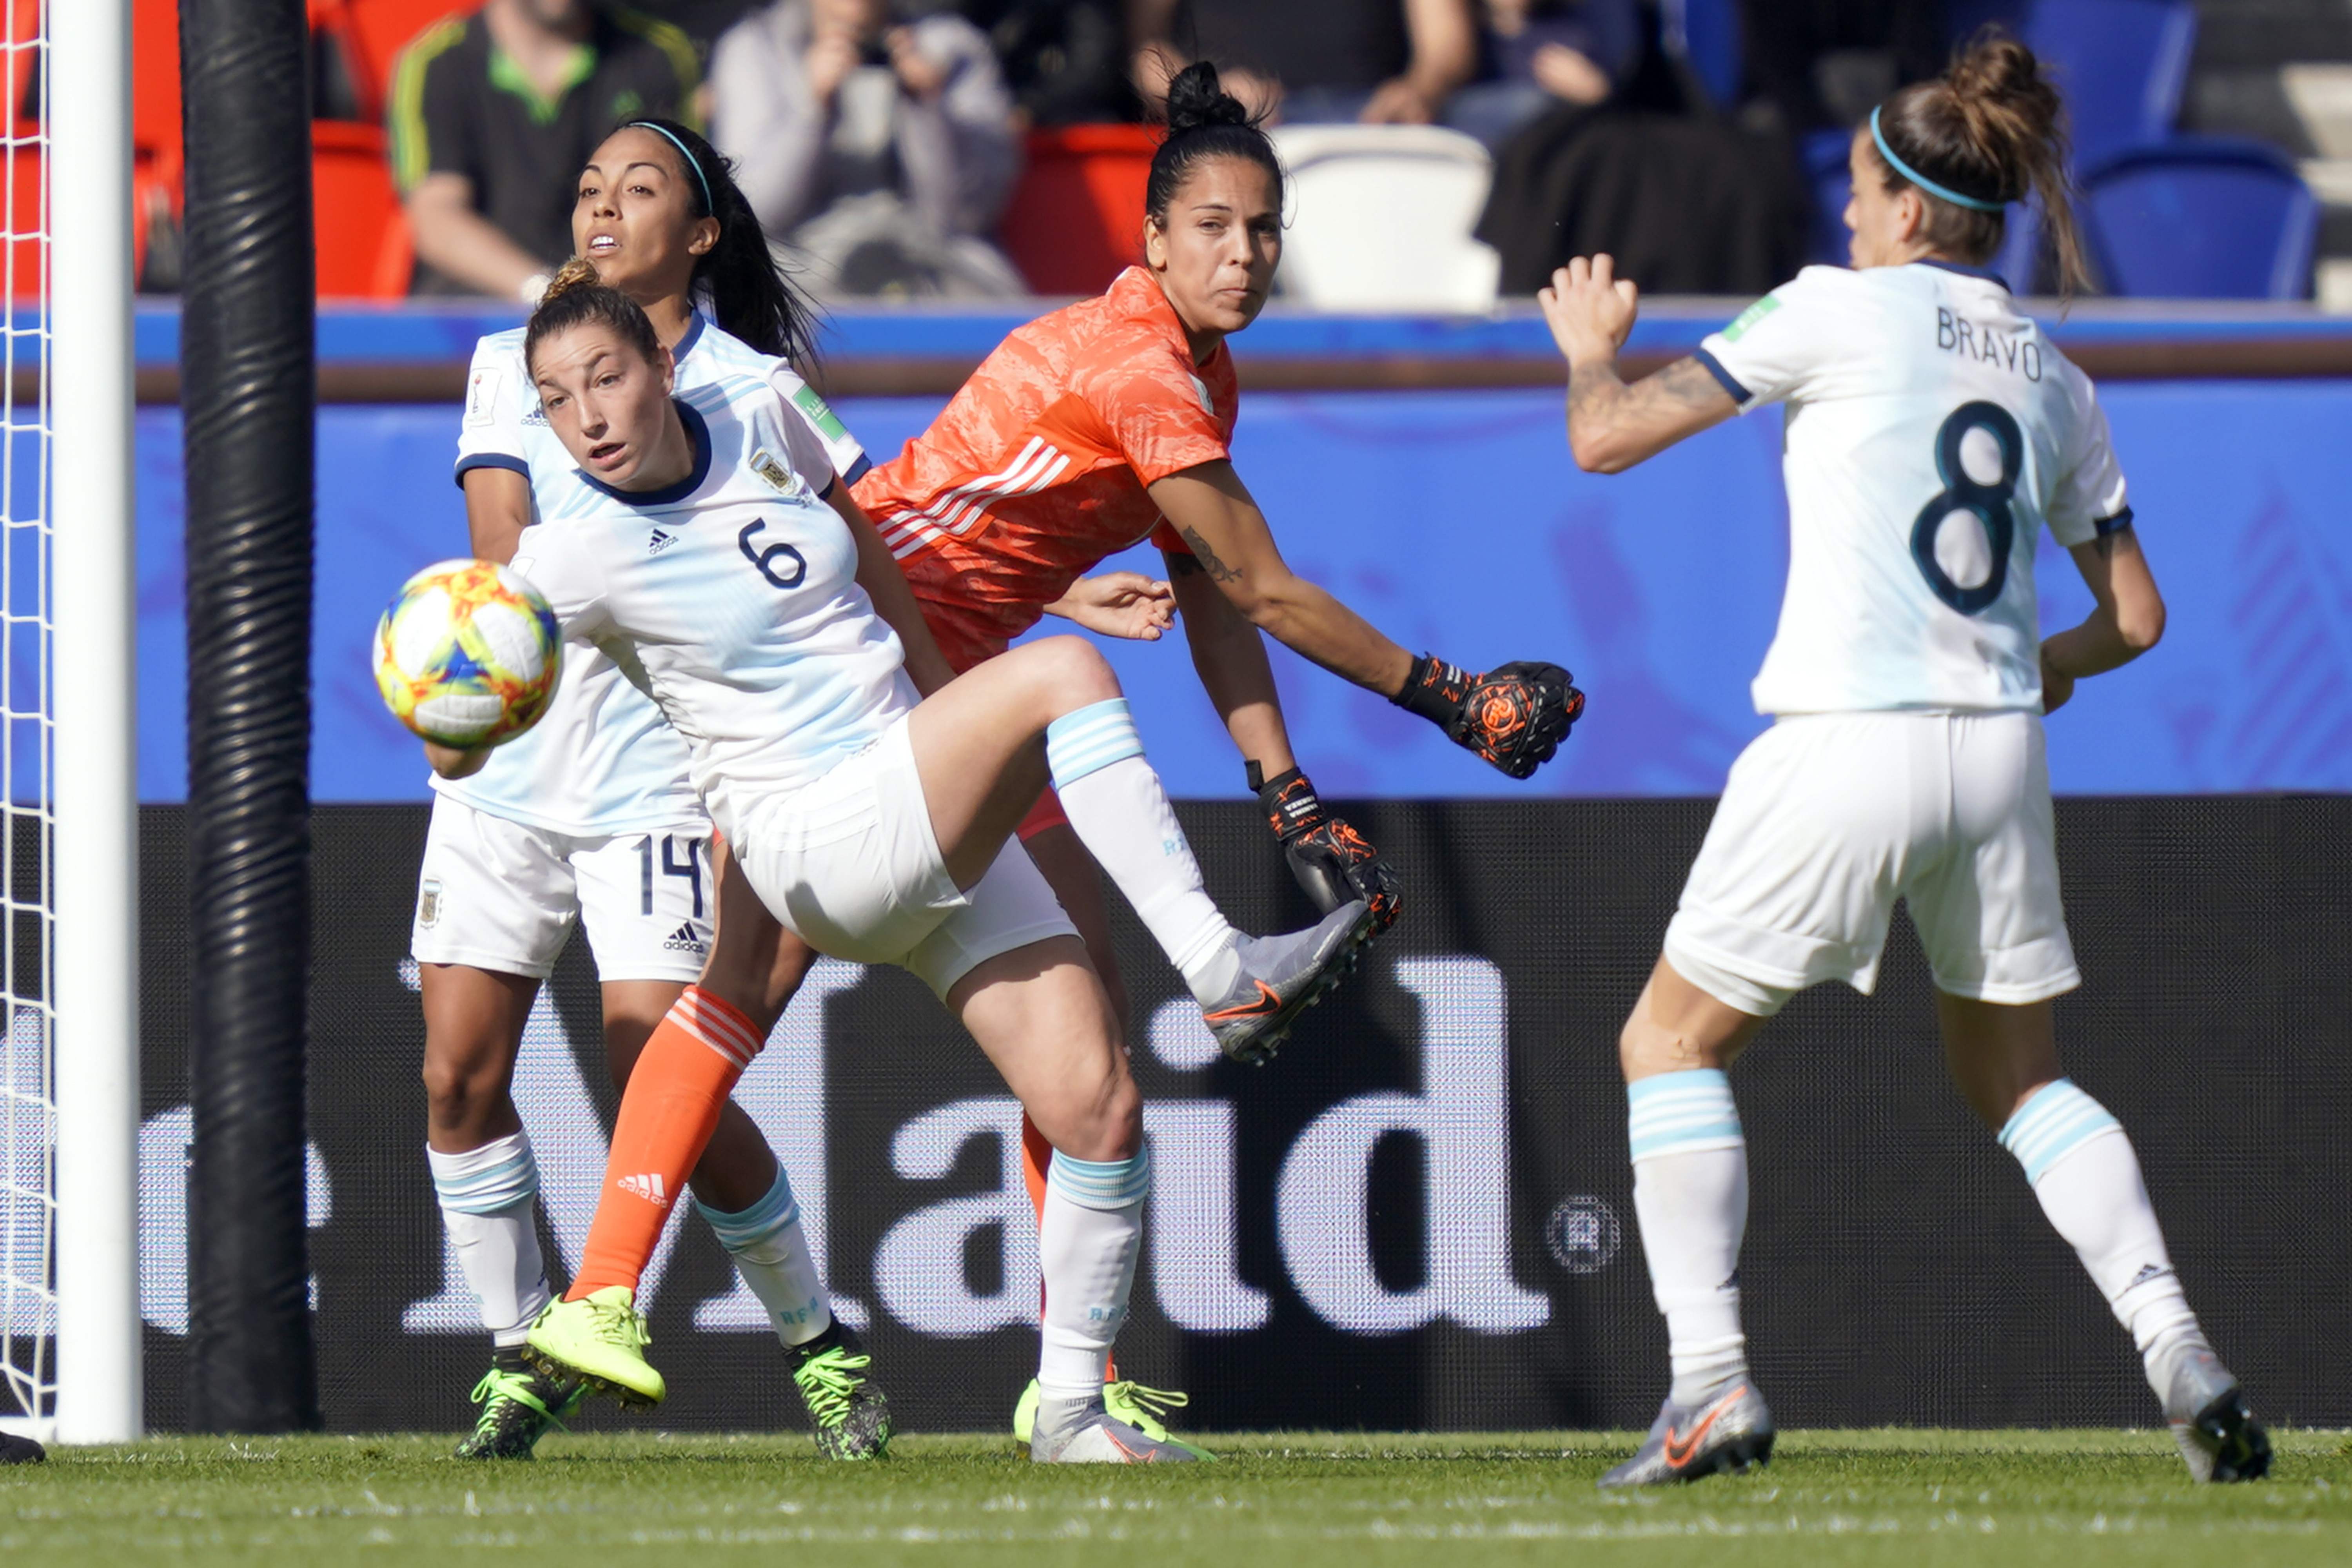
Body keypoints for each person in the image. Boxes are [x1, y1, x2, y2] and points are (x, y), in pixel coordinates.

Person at [483, 261, 1377, 1463]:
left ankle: (1067, 1409)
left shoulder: (767, 415)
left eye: (605, 376)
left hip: (904, 787)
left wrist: (955, 698)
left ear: (662, 368)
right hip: (810, 834)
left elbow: (877, 557)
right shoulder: (574, 555)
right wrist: (451, 717)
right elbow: (483, 676)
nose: (587, 413)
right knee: (1063, 676)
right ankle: (1221, 968)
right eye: (555, 399)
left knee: (1097, 1105)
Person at [1536, 33, 2271, 1487]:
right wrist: (2032, 668)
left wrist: (1586, 357)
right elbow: (2135, 616)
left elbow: (1605, 443)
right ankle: (2176, 1343)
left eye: (1862, 191)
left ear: (1904, 204)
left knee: (1664, 1043)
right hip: (1997, 756)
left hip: (1844, 736)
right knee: (2022, 1083)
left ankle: (1707, 1385)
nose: (1848, 214)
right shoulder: (2051, 371)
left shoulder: (1825, 311)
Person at [849, 57, 1588, 1438]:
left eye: (1265, 233)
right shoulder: (1142, 365)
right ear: (1152, 240)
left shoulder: (1196, 369)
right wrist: (1455, 696)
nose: (1245, 256)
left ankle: (1080, 1381)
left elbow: (1205, 595)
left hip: (947, 674)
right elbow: (1262, 586)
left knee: (1085, 1050)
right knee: (753, 1008)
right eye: (1216, 229)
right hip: (870, 674)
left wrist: (1287, 795)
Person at [423, 117, 889, 1461]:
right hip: (512, 770)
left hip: (653, 774)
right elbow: (507, 562)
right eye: (585, 190)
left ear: (701, 233)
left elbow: (872, 532)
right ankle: (523, 1353)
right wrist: (455, 697)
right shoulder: (512, 361)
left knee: (653, 1064)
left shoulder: (755, 388)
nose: (602, 209)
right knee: (457, 1075)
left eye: (640, 190)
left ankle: (816, 1344)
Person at [708, 0, 1025, 298]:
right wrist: (812, 112)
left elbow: (966, 216)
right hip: (799, 271)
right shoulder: (755, 47)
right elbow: (754, 213)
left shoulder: (953, 47)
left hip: (936, 270)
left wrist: (929, 109)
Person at [390, 0, 700, 299]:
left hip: (626, 309)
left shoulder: (658, 55)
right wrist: (547, 293)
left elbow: (680, 206)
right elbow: (437, 218)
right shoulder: (437, 63)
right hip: (478, 311)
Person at [1130, 0, 1476, 128]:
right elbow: (1144, 52)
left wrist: (1420, 90)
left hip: (1373, 123)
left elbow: (1446, 44)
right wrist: (1208, 96)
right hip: (1234, 128)